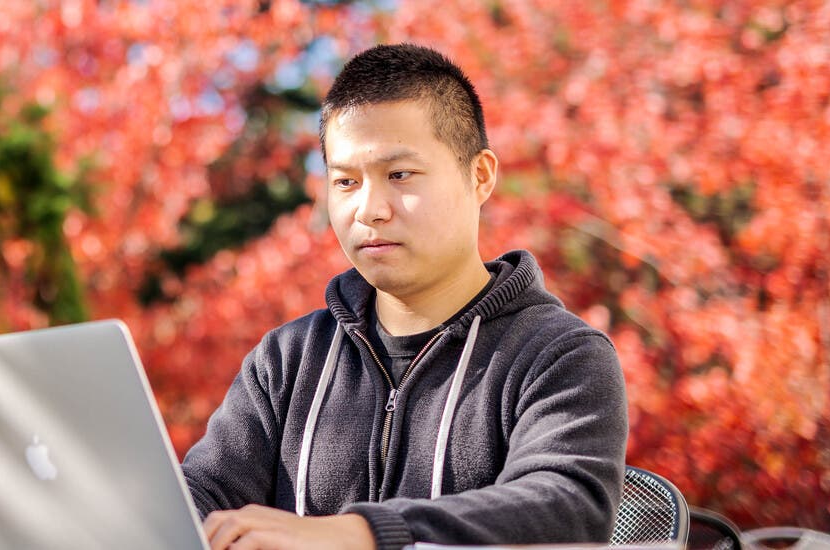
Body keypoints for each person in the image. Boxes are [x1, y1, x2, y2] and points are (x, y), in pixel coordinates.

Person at [180, 43, 629, 550]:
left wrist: (364, 534)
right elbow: (200, 498)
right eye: (346, 181)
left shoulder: (560, 355)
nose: (369, 210)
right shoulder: (287, 360)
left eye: (399, 175)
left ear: (479, 175)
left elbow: (566, 507)